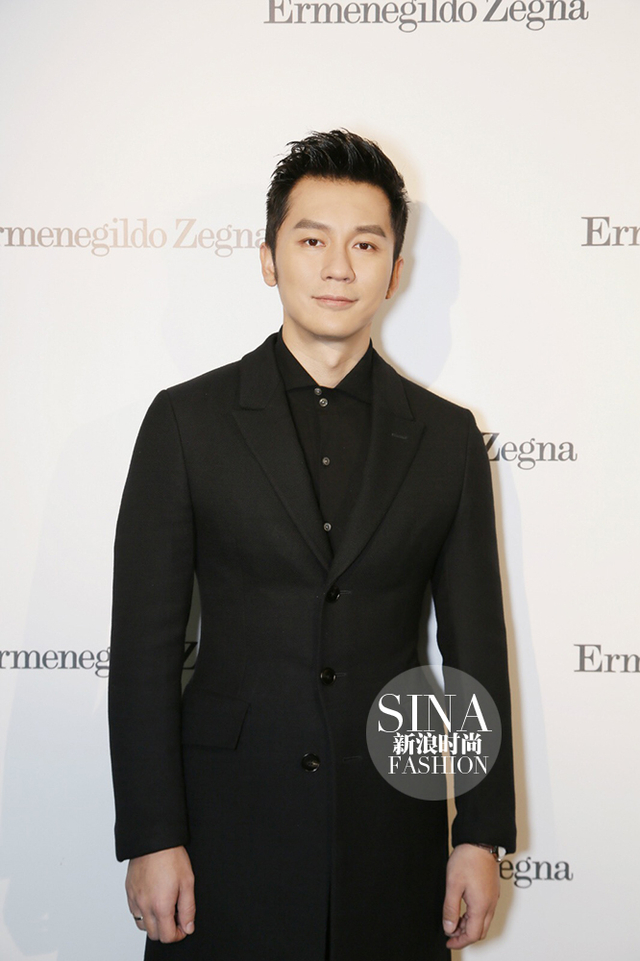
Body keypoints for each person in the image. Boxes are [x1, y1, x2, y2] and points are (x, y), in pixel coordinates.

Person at [108, 129, 517, 961]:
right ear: (269, 258)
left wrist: (479, 832)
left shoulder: (447, 439)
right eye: (311, 240)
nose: (338, 267)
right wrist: (152, 834)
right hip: (223, 830)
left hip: (392, 832)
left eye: (365, 244)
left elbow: (475, 647)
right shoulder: (186, 422)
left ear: (394, 271)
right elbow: (144, 649)